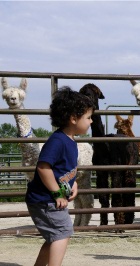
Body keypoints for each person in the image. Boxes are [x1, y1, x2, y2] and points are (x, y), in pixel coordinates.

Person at [25, 86, 95, 266]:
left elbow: (64, 170)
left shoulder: (70, 140)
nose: (91, 121)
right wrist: (56, 192)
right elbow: (43, 167)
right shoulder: (57, 141)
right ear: (73, 118)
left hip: (51, 200)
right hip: (46, 200)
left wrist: (73, 184)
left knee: (54, 237)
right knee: (62, 233)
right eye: (88, 117)